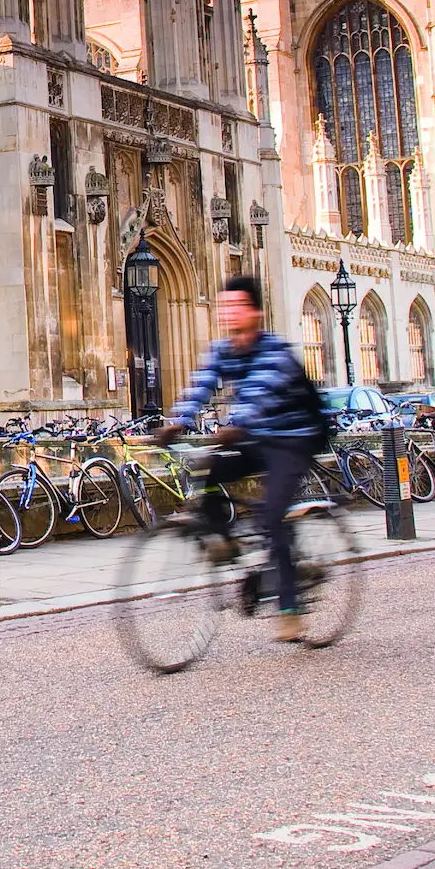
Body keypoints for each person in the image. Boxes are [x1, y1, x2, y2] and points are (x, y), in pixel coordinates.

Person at [157, 274, 321, 645]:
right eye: (224, 306)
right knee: (210, 469)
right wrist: (176, 422)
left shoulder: (275, 352)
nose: (227, 313)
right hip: (258, 437)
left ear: (256, 311)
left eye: (236, 306)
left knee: (272, 514)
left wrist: (236, 427)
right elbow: (201, 384)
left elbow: (260, 397)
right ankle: (224, 539)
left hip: (294, 438)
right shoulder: (223, 350)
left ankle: (290, 609)